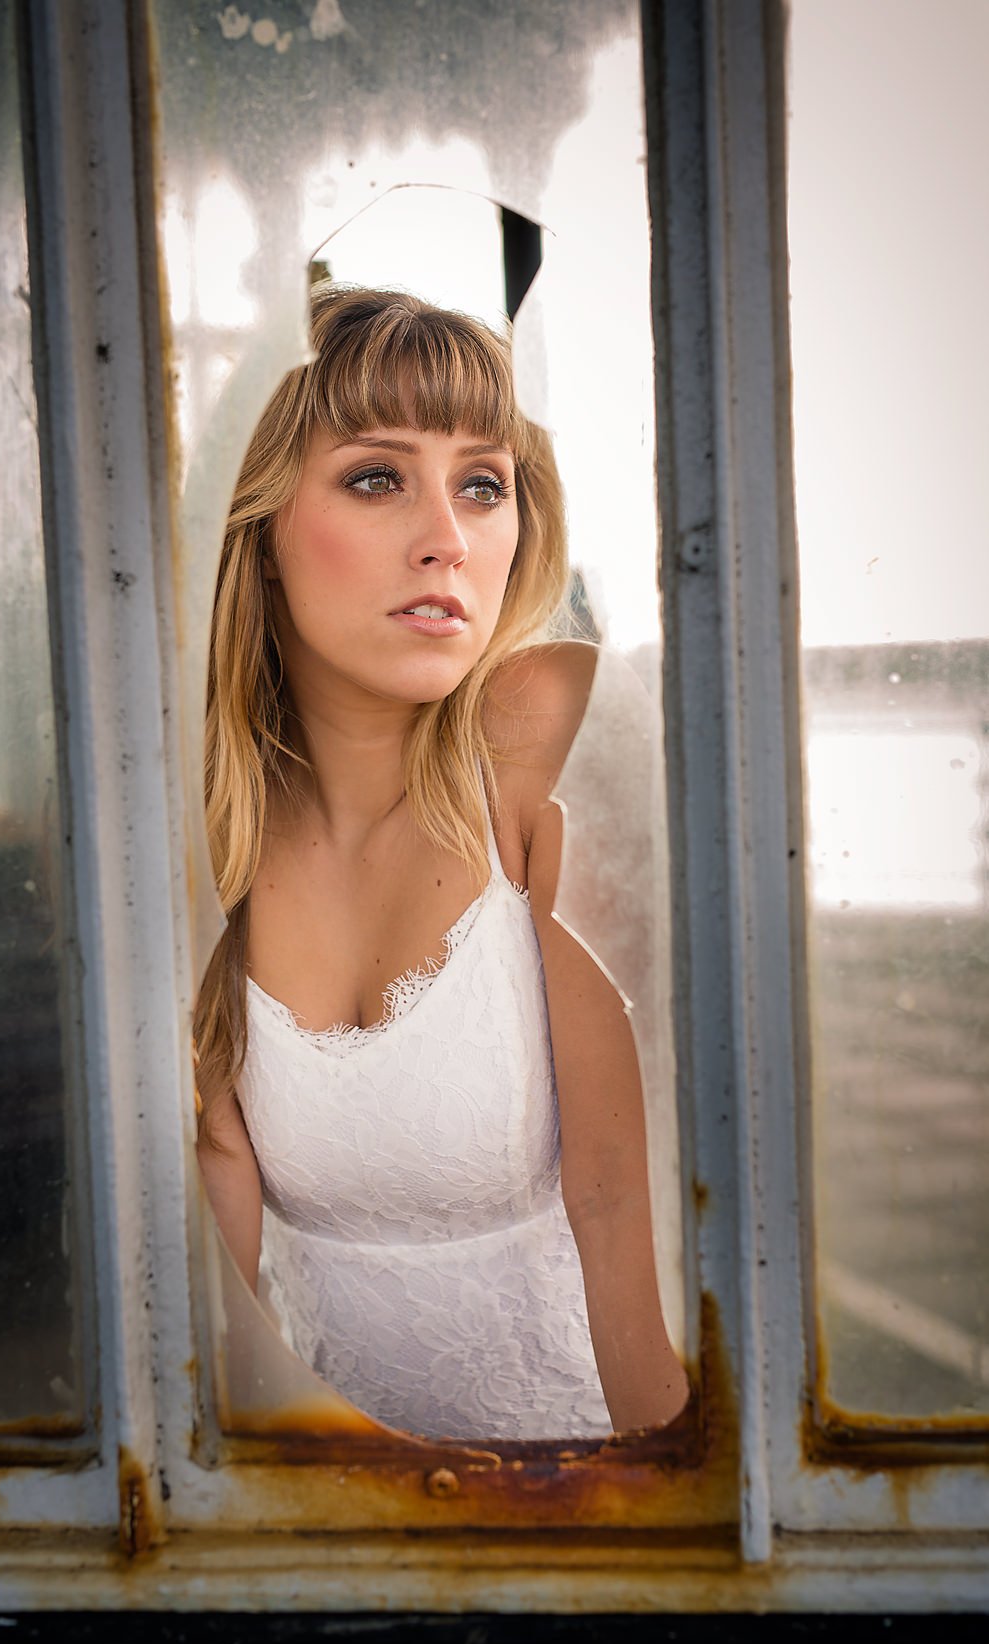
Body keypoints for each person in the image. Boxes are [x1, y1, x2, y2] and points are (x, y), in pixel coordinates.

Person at [194, 285, 688, 1441]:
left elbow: (618, 1201)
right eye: (377, 477)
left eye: (482, 482)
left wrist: (680, 1561)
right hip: (317, 1513)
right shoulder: (205, 818)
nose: (446, 537)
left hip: (573, 1502)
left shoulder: (547, 733)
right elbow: (212, 1274)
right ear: (259, 527)